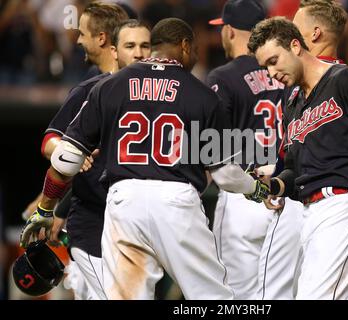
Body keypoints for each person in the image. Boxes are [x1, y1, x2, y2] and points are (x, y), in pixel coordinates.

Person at [20, 17, 268, 300]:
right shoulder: (201, 94)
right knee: (213, 298)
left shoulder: (108, 87)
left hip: (124, 202)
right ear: (185, 46)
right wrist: (256, 188)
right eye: (194, 48)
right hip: (177, 202)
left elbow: (66, 159)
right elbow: (225, 175)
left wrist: (45, 208)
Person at [247, 17, 348, 299]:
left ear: (296, 45)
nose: (271, 72)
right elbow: (295, 172)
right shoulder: (294, 102)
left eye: (274, 60)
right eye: (265, 66)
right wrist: (272, 185)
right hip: (311, 213)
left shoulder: (346, 79)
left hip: (343, 206)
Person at [27, 6, 150, 300]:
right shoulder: (92, 88)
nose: (78, 40)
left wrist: (55, 207)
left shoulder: (151, 89)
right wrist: (70, 156)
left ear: (104, 38)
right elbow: (51, 142)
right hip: (96, 218)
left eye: (82, 33)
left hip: (136, 220)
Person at [257, 0, 348, 300]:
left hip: (314, 200)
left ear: (314, 34)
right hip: (318, 198)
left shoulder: (337, 83)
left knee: (273, 290)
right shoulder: (304, 85)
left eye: (295, 27)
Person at [207, 0, 284, 299]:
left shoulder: (223, 77)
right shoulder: (285, 70)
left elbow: (212, 150)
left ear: (228, 31)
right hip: (286, 192)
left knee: (235, 295)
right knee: (282, 292)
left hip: (245, 193)